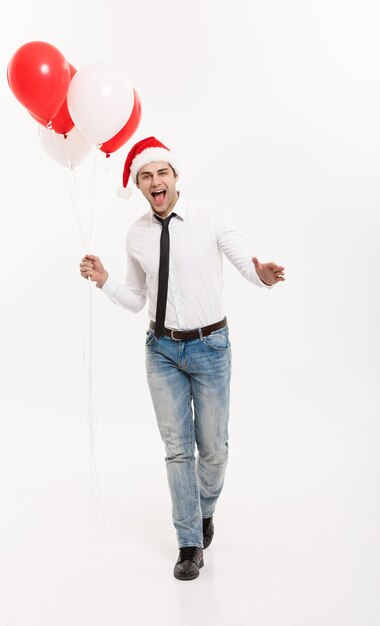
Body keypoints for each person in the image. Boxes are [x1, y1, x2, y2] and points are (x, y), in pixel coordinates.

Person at [79, 136, 285, 581]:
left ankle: (203, 507)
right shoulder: (136, 233)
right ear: (138, 184)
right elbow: (137, 299)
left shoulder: (211, 218)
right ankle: (189, 541)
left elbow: (246, 264)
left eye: (162, 173)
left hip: (211, 347)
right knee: (177, 452)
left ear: (175, 178)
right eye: (146, 176)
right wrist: (105, 280)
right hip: (162, 352)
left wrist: (262, 276)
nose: (155, 182)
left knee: (214, 449)